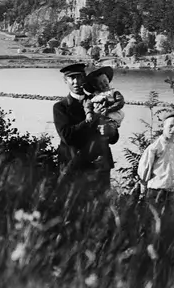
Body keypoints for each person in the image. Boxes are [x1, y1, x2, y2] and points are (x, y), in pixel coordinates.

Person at [52, 63, 119, 196]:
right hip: (74, 167)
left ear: (84, 78)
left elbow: (114, 138)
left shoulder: (100, 100)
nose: (76, 81)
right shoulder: (61, 107)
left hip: (100, 166)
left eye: (79, 77)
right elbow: (68, 137)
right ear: (65, 80)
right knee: (75, 209)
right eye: (71, 78)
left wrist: (110, 130)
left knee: (101, 210)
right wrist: (93, 118)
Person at [136, 112, 174, 234]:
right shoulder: (154, 147)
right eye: (170, 126)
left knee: (173, 225)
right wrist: (145, 187)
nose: (173, 130)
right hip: (157, 191)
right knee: (153, 224)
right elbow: (144, 172)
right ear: (163, 126)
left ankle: (169, 248)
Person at [84, 66, 125, 138]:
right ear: (95, 86)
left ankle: (107, 134)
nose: (103, 84)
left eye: (105, 81)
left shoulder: (114, 92)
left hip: (112, 117)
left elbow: (120, 102)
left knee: (109, 130)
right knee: (95, 130)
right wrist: (89, 113)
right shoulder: (94, 95)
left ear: (108, 80)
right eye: (100, 83)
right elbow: (88, 104)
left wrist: (109, 109)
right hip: (98, 118)